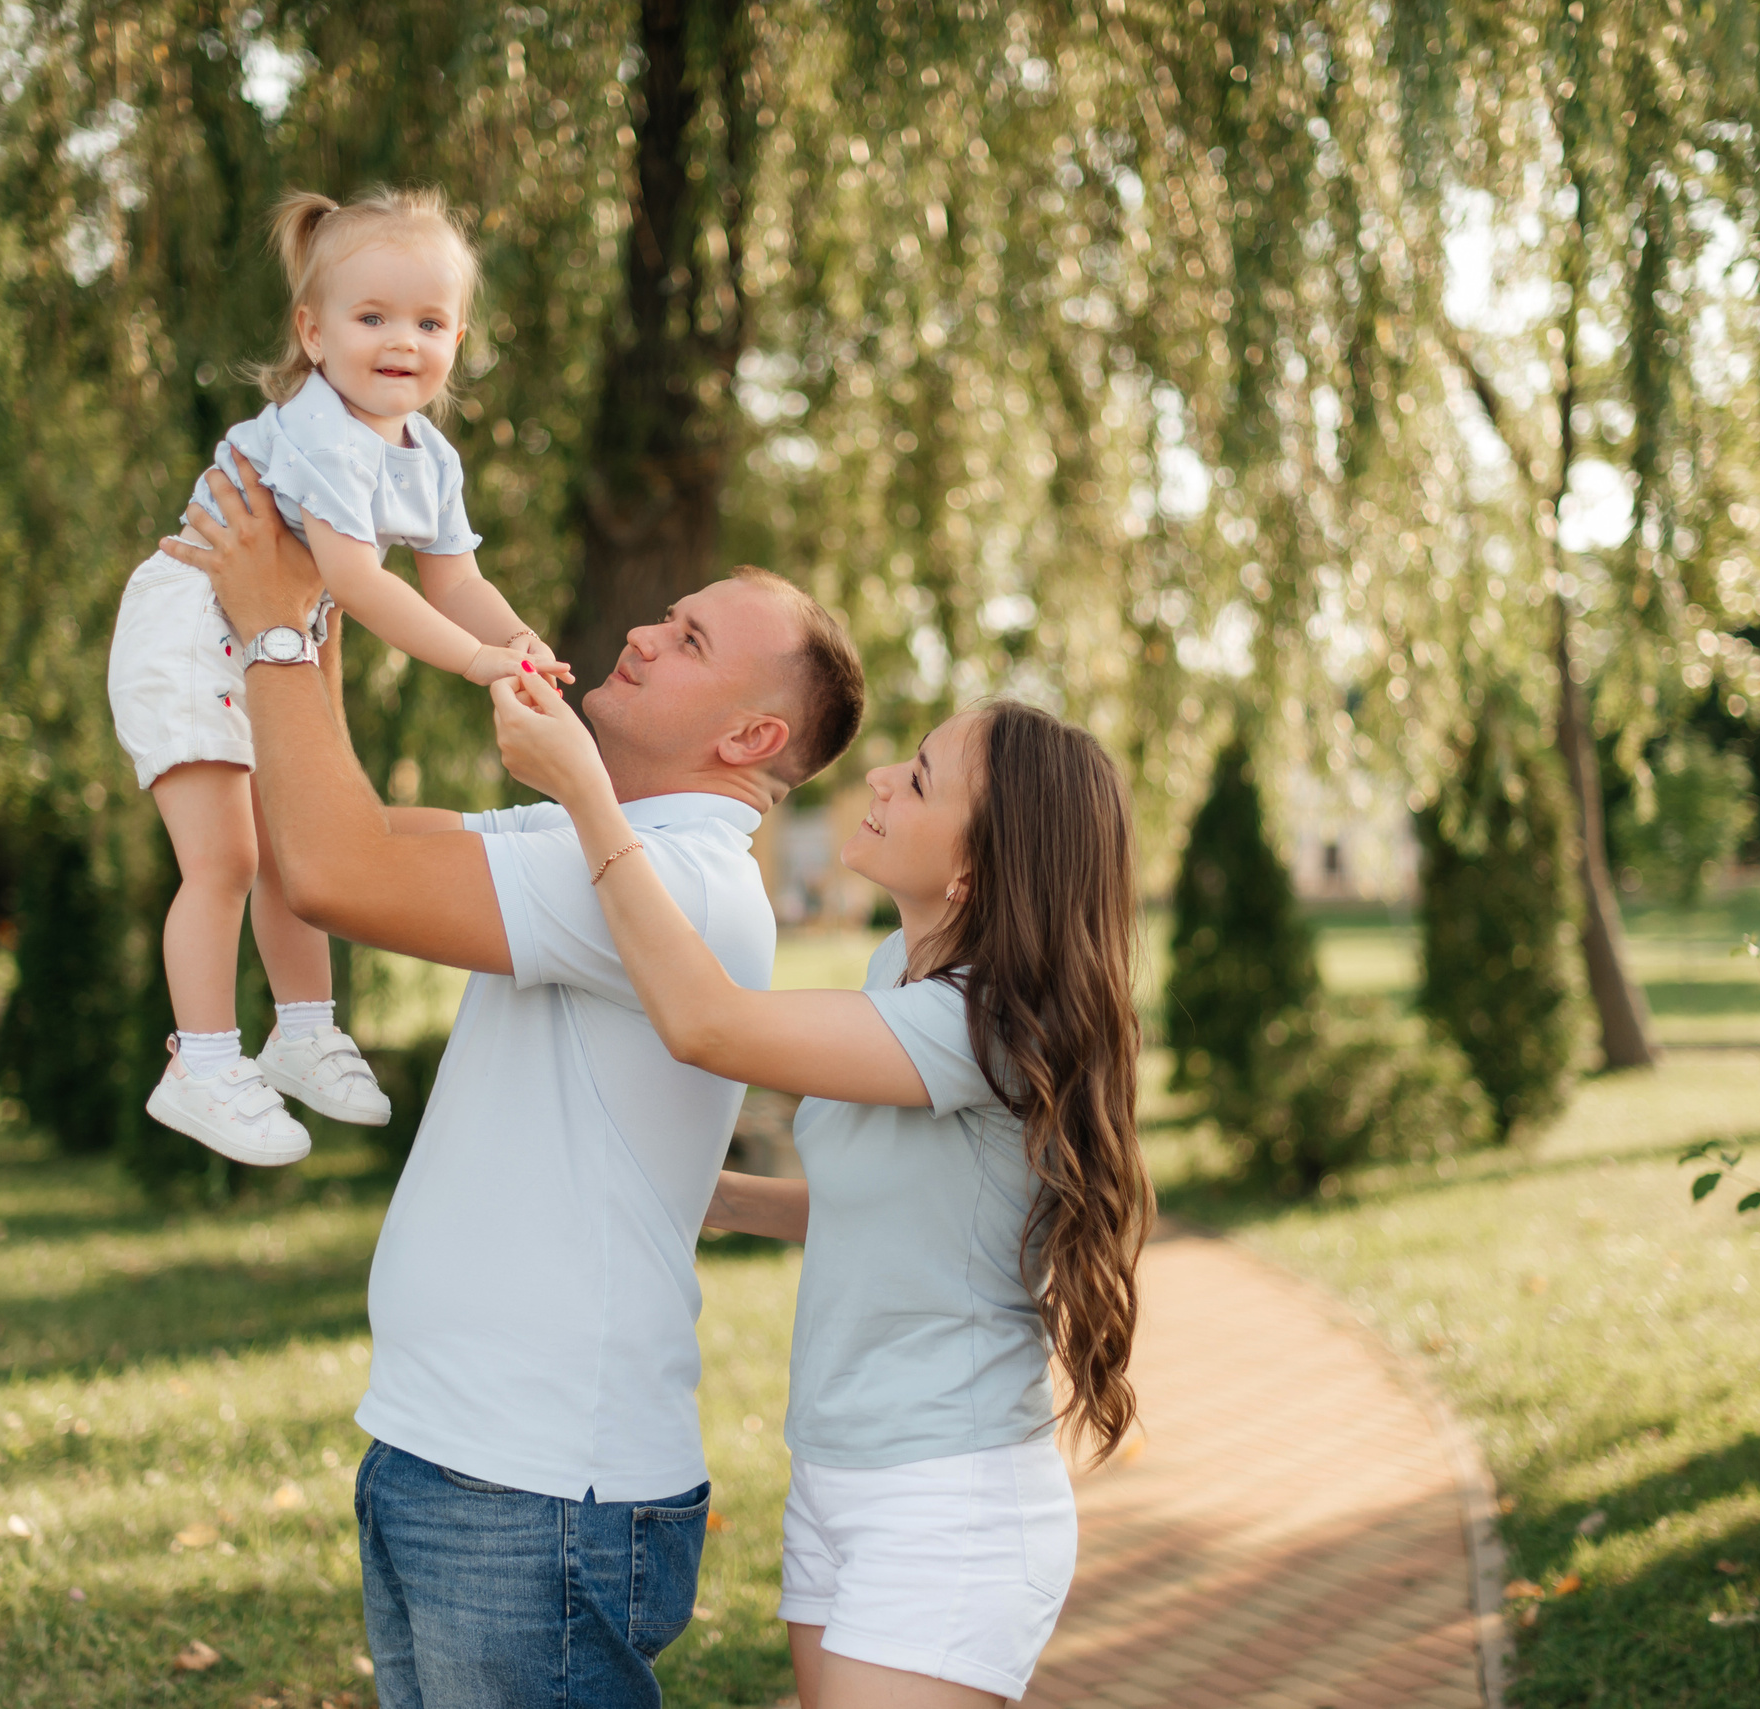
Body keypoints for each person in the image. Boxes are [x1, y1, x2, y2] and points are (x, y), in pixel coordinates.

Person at [156, 448, 867, 1709]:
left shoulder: (682, 882)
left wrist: (277, 620)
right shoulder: (596, 842)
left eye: (689, 636)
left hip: (537, 1490)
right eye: (665, 612)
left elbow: (333, 876)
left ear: (751, 734)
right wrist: (322, 599)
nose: (644, 632)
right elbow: (326, 839)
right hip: (450, 1455)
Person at [494, 669, 1154, 1709]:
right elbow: (889, 1212)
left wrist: (586, 795)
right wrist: (697, 1189)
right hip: (838, 1472)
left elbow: (705, 1021)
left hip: (946, 1499)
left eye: (922, 779)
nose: (882, 776)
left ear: (975, 868)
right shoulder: (898, 963)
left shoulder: (981, 1027)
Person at [108, 185, 567, 1170]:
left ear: (458, 338)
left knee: (290, 843)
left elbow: (456, 578)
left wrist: (518, 642)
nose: (402, 340)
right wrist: (475, 660)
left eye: (429, 321)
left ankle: (303, 1028)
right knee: (224, 857)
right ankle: (200, 1059)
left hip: (274, 628)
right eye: (373, 318)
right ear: (312, 335)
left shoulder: (427, 455)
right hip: (194, 623)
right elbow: (357, 583)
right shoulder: (321, 429)